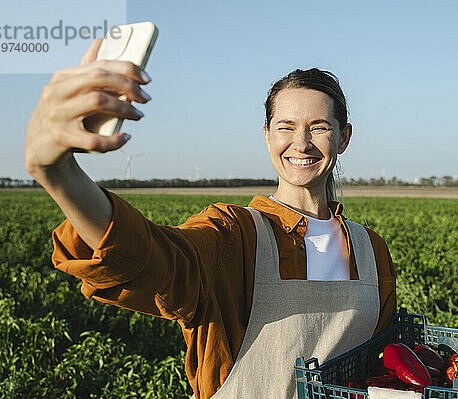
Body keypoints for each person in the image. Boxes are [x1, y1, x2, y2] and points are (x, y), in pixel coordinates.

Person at [24, 39, 397, 399]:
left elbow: (380, 365)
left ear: (344, 137)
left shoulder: (369, 249)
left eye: (319, 127)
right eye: (285, 126)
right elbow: (157, 259)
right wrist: (61, 174)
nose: (301, 143)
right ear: (267, 136)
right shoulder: (233, 235)